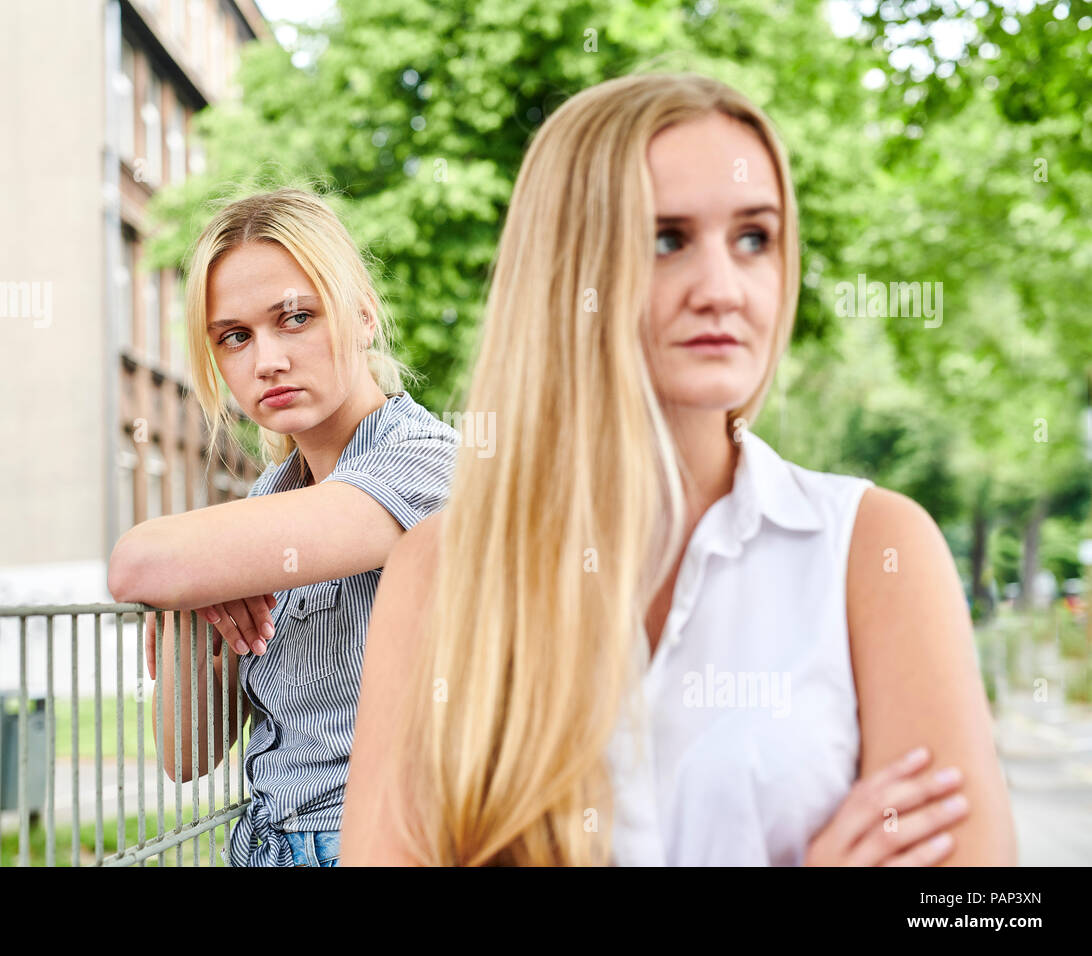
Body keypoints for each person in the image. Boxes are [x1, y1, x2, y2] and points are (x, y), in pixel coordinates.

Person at [341, 73, 1017, 866]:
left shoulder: (875, 549)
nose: (723, 290)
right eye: (667, 240)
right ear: (571, 272)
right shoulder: (441, 570)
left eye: (754, 238)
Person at [107, 188, 459, 867]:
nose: (265, 359)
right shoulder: (271, 497)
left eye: (294, 318)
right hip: (265, 846)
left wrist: (189, 567)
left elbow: (136, 564)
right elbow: (188, 752)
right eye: (234, 336)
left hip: (381, 844)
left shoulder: (427, 464)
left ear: (361, 315)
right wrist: (197, 588)